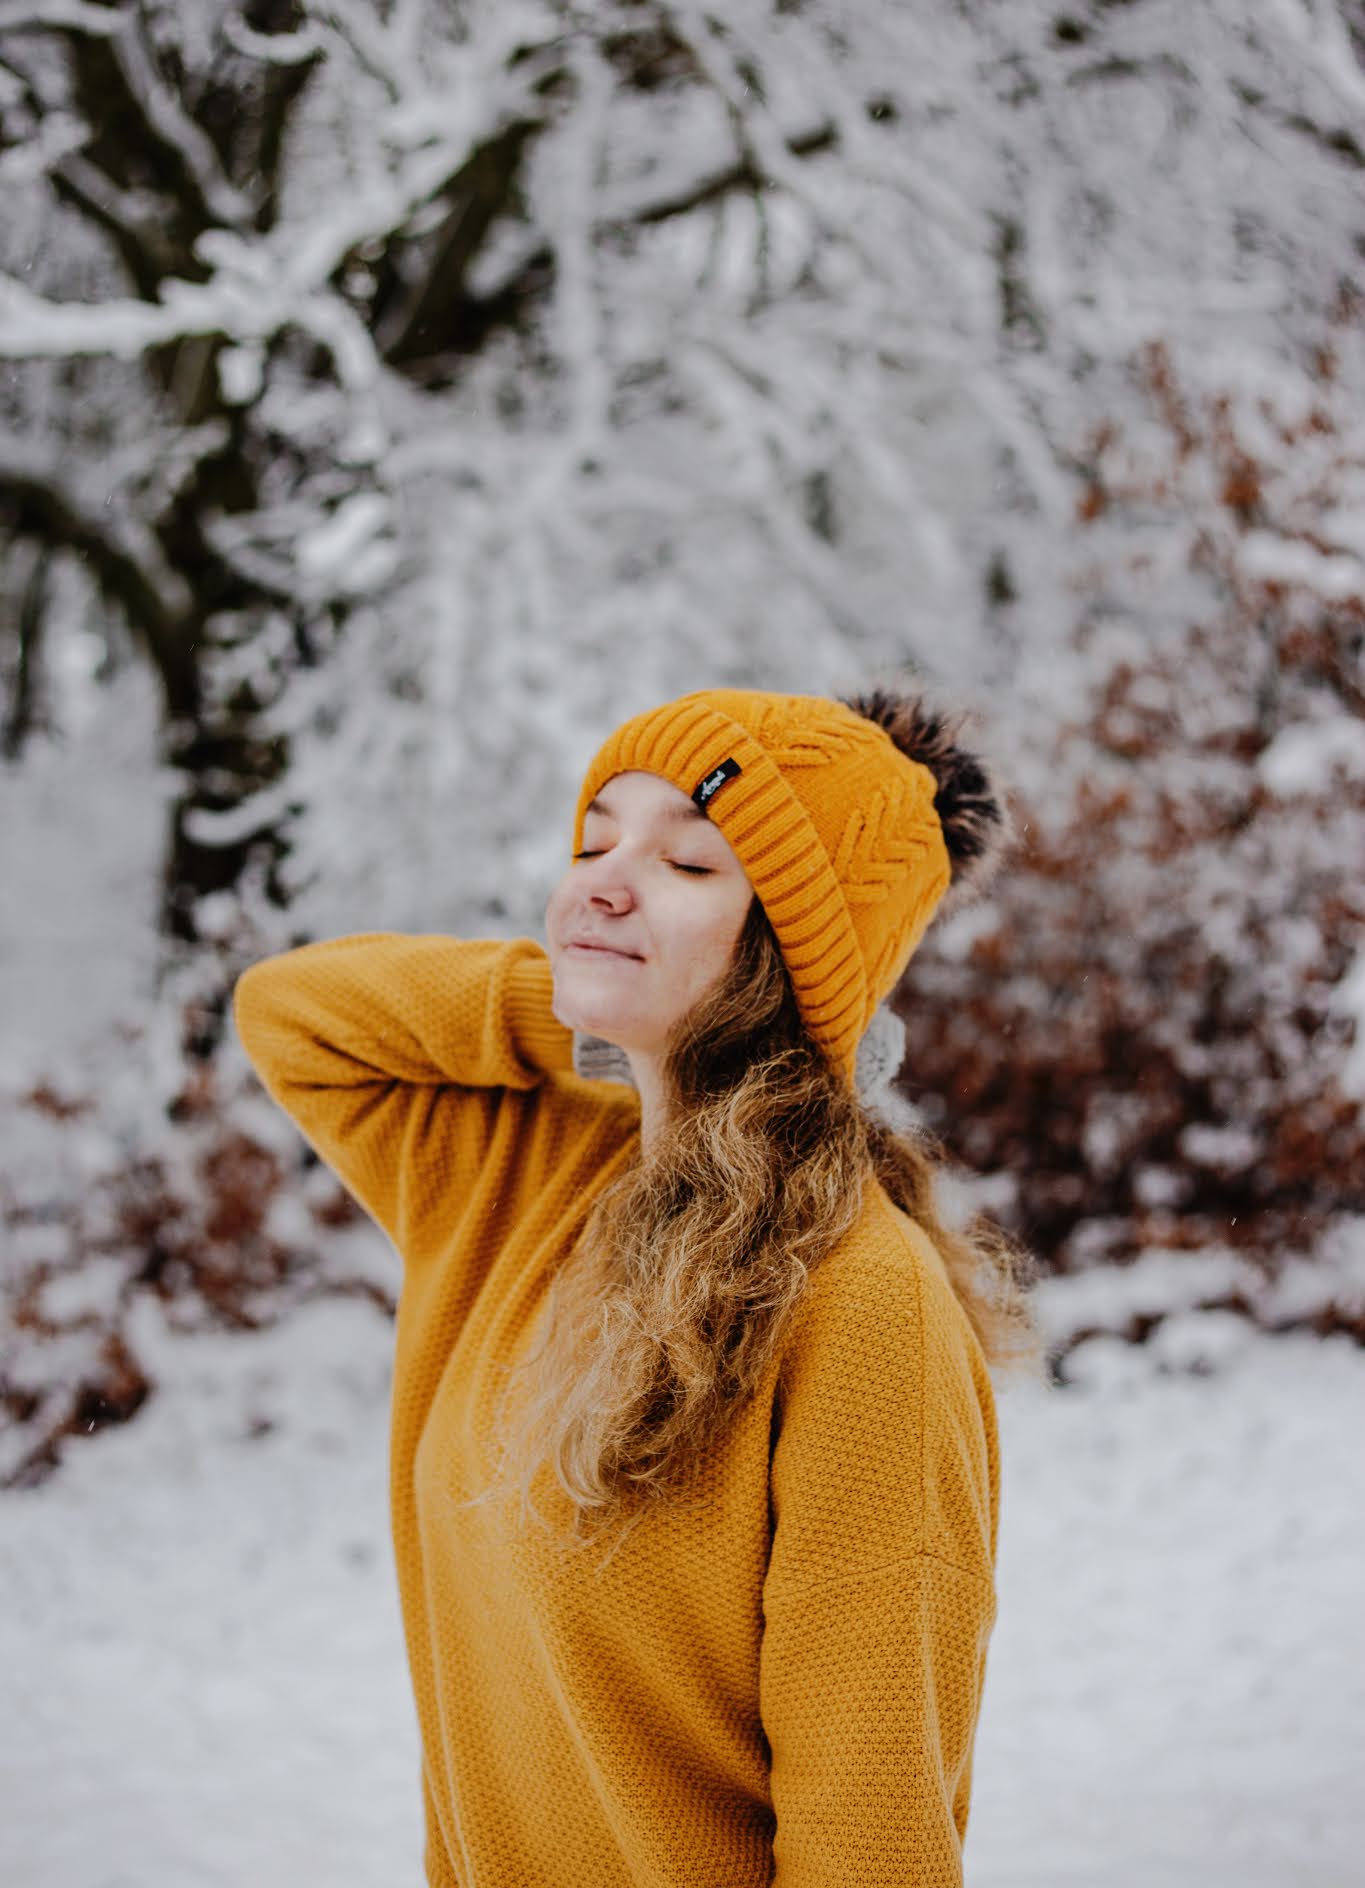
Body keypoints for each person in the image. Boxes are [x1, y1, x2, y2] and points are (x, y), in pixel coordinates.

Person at [233, 683, 1042, 1888]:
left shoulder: (861, 1301)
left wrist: (704, 1015)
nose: (604, 881)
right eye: (595, 840)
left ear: (787, 955)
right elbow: (291, 1011)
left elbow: (871, 1834)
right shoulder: (518, 1176)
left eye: (690, 862)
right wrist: (596, 1010)